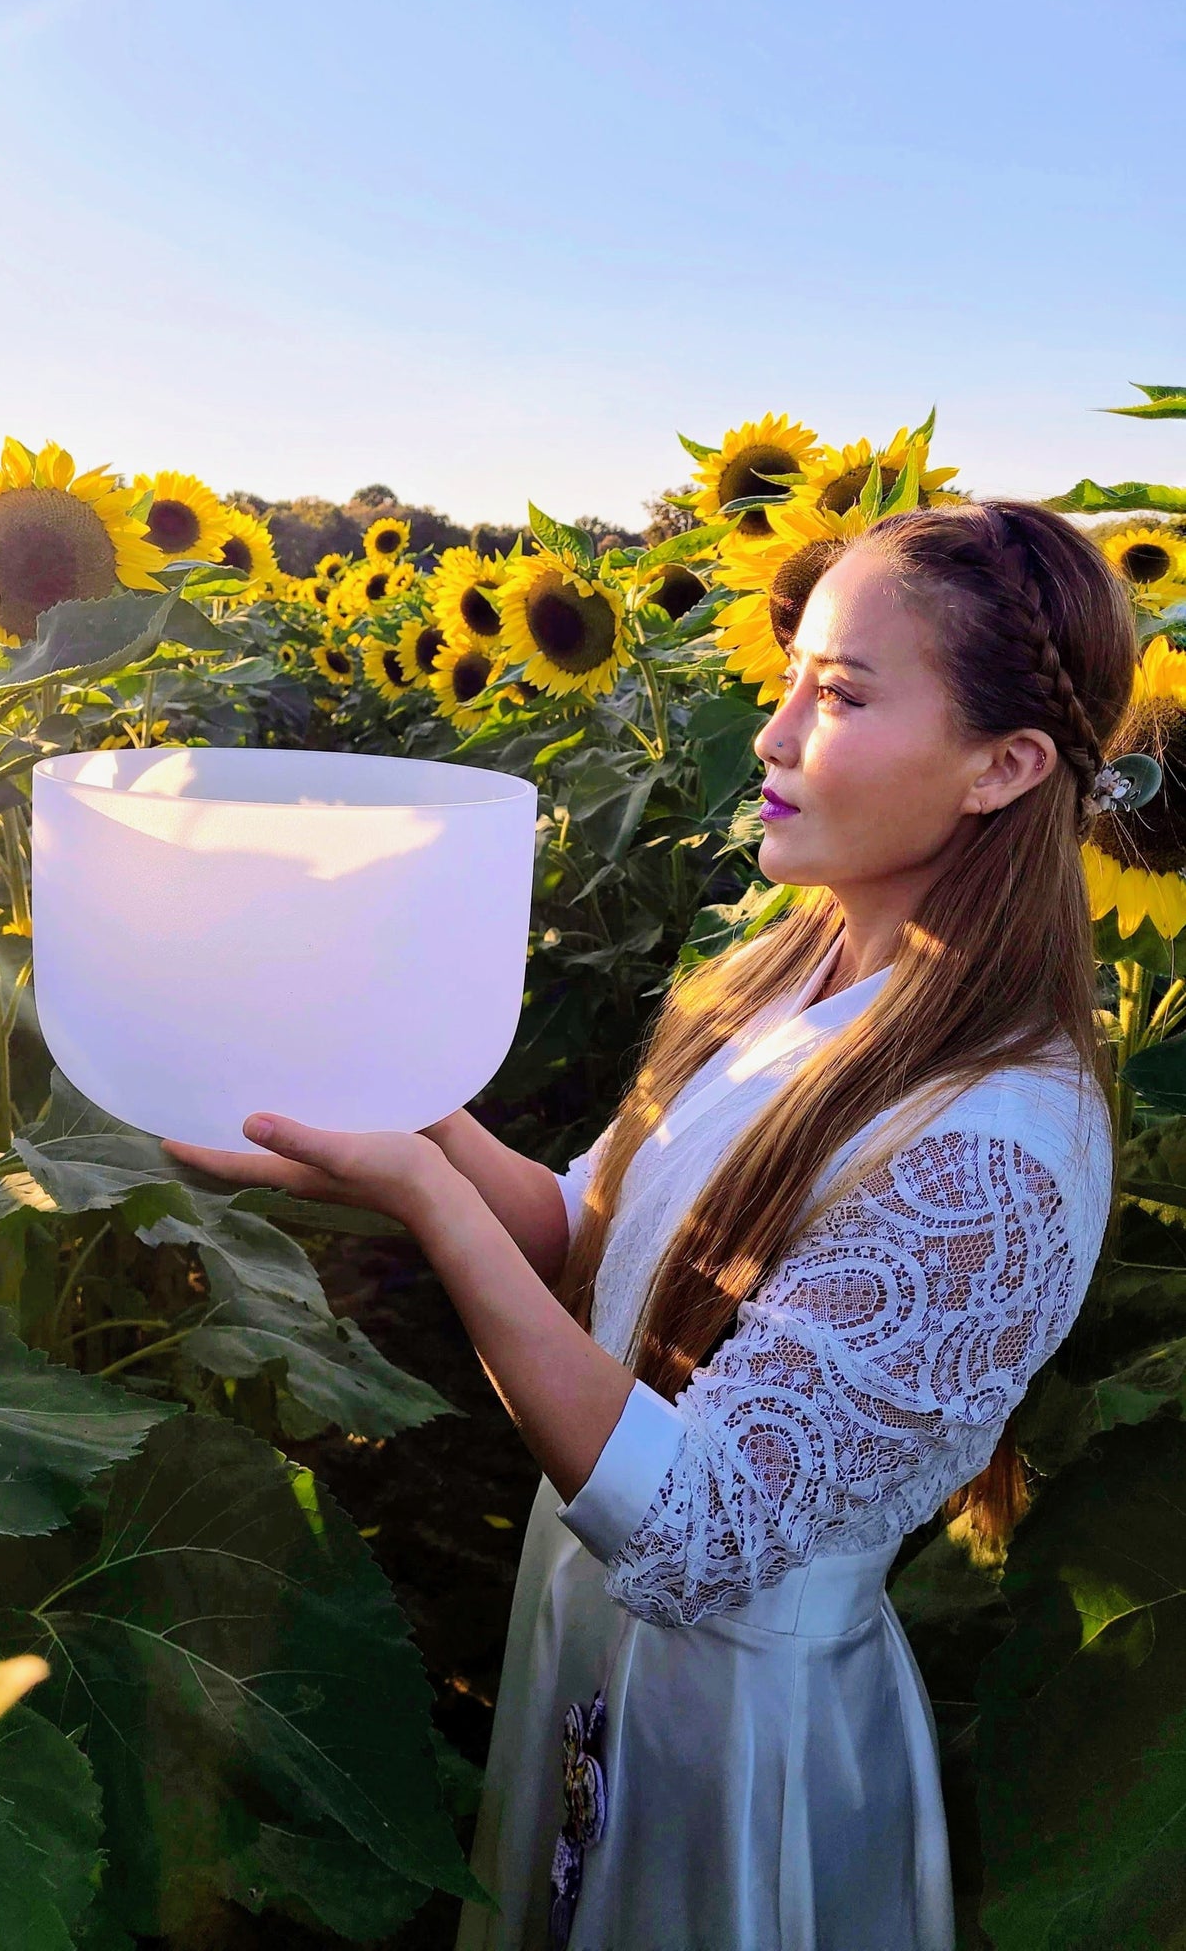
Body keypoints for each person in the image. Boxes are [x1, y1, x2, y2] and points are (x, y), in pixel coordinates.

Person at [165, 500, 1137, 1951]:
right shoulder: (796, 971)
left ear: (1004, 767)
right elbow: (592, 1230)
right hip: (597, 1648)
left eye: (844, 695)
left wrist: (432, 1207)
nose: (771, 732)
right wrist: (409, 1105)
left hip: (737, 1742)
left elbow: (700, 1526)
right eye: (791, 674)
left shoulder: (1000, 1154)